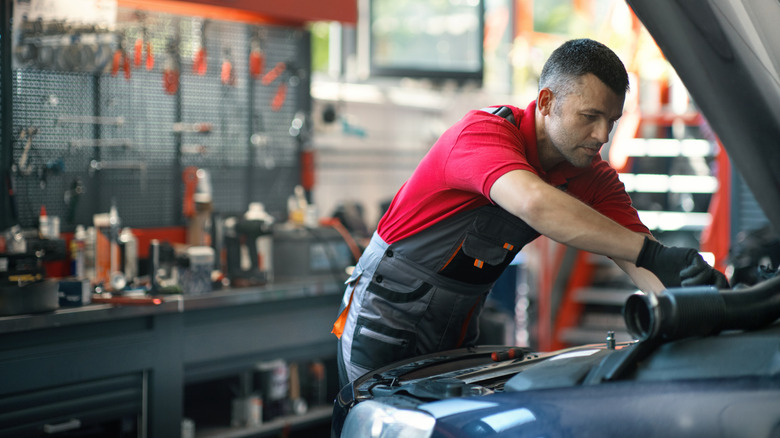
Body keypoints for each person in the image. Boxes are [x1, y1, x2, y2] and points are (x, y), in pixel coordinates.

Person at [331, 38, 729, 387]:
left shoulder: (592, 177)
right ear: (546, 102)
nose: (602, 136)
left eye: (611, 121)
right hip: (387, 313)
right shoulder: (483, 134)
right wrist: (652, 253)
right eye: (589, 117)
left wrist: (701, 303)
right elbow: (534, 202)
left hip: (458, 321)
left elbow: (640, 260)